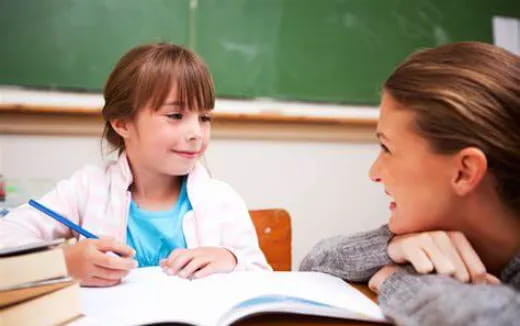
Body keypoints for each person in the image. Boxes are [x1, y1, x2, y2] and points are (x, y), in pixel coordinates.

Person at [0, 43, 270, 287]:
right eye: (175, 115)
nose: (196, 133)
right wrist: (63, 263)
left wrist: (231, 259)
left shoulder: (221, 199)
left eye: (205, 117)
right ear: (122, 123)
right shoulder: (86, 188)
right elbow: (6, 236)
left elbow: (263, 277)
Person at [300, 42, 520, 325]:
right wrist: (392, 247)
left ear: (464, 172)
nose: (374, 172)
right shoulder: (445, 233)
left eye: (387, 148)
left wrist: (394, 279)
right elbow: (317, 262)